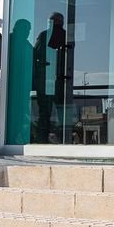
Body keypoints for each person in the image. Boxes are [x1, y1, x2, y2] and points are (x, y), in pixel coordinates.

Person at [32, 12, 67, 143]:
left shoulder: (46, 35)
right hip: (57, 79)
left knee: (46, 113)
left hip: (49, 79)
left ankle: (43, 140)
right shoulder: (65, 36)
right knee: (60, 112)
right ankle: (63, 139)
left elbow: (35, 54)